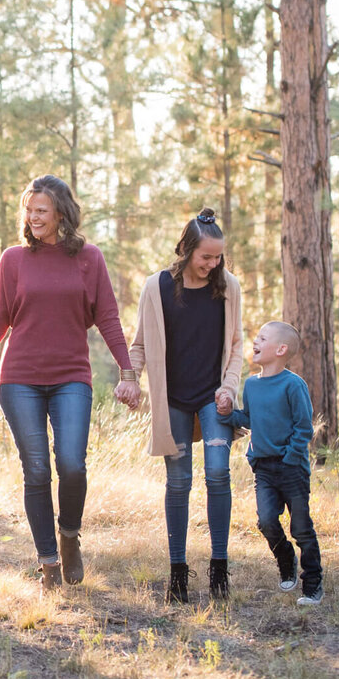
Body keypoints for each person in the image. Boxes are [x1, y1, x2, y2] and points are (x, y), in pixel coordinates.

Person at [0, 175, 140, 592]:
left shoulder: (89, 258)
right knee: (37, 468)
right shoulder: (14, 259)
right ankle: (47, 561)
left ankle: (69, 537)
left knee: (71, 464)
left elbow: (108, 318)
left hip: (71, 377)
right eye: (28, 209)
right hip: (20, 378)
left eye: (40, 209)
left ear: (61, 212)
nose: (32, 217)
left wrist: (128, 372)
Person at [126, 208, 246, 604]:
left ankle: (219, 568)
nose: (212, 265)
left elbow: (236, 346)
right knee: (179, 482)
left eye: (218, 258)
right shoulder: (156, 287)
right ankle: (178, 572)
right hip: (172, 399)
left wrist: (229, 388)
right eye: (206, 257)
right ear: (187, 250)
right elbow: (140, 343)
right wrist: (130, 379)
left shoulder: (228, 286)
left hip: (214, 397)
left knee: (217, 474)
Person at [223, 320, 324, 606]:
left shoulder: (293, 385)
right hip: (264, 469)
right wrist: (228, 413)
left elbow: (304, 426)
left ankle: (312, 584)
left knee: (301, 528)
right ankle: (286, 559)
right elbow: (249, 420)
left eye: (262, 338)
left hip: (291, 469)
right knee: (266, 521)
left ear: (280, 349)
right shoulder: (252, 385)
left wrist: (291, 456)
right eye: (256, 337)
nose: (255, 341)